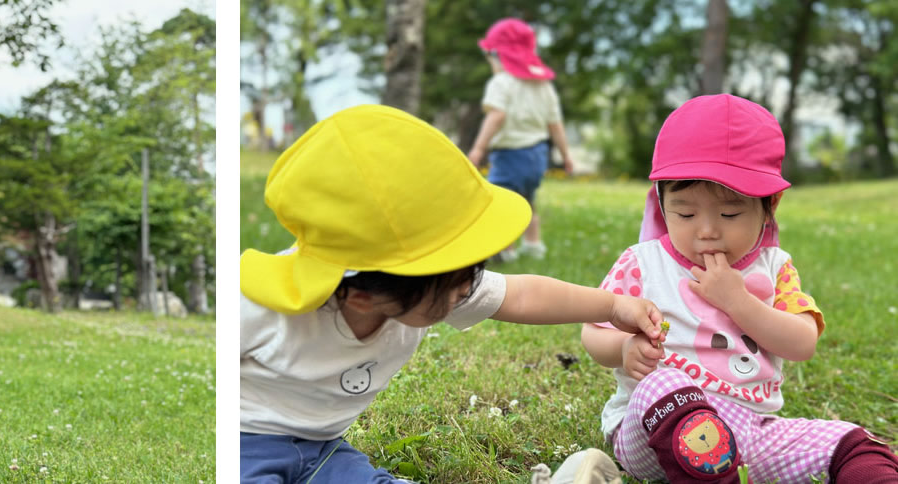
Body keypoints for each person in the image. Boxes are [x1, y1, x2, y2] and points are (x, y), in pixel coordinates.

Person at [240, 104, 663, 482]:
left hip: (325, 452)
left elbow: (521, 295)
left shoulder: (427, 286)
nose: (468, 288)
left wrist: (612, 305)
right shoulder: (261, 306)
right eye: (455, 282)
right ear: (363, 297)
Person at [580, 94, 898, 483]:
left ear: (769, 208)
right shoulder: (643, 263)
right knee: (666, 382)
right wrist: (623, 348)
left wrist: (738, 302)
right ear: (661, 203)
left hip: (750, 432)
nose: (707, 230)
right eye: (685, 213)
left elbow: (802, 343)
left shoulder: (775, 268)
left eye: (730, 213)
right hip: (653, 427)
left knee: (853, 442)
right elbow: (594, 331)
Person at [466, 17, 574, 262]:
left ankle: (505, 250)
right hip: (537, 155)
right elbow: (555, 125)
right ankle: (534, 246)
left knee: (502, 202)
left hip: (509, 154)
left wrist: (479, 148)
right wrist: (566, 155)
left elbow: (497, 115)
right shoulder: (543, 85)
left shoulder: (501, 83)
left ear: (498, 55)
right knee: (527, 200)